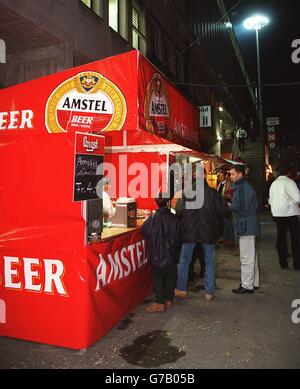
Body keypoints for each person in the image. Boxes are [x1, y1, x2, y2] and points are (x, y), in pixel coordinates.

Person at [174, 168, 231, 302]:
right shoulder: (213, 193)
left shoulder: (186, 193)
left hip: (189, 233)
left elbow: (178, 211)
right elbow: (225, 212)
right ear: (204, 176)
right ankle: (209, 292)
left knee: (184, 261)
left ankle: (181, 289)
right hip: (209, 234)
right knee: (209, 262)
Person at [141, 194, 182, 313]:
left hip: (157, 253)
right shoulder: (175, 218)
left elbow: (144, 232)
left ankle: (159, 302)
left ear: (156, 203)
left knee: (158, 277)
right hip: (172, 252)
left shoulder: (152, 218)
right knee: (171, 275)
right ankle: (168, 299)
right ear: (168, 202)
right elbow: (181, 234)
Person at [230, 165, 260, 294]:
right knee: (252, 256)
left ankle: (247, 285)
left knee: (246, 257)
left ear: (240, 174)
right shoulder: (245, 186)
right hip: (249, 223)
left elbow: (238, 207)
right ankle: (253, 282)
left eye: (232, 174)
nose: (230, 177)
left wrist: (228, 205)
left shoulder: (241, 187)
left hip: (246, 224)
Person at [268, 166, 300, 270]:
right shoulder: (289, 182)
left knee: (281, 238)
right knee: (295, 239)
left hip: (278, 214)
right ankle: (297, 263)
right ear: (289, 173)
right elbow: (298, 198)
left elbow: (270, 200)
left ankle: (283, 263)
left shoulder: (274, 184)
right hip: (290, 213)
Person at [217, 171, 235, 246]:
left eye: (222, 176)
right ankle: (224, 237)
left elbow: (231, 194)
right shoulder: (219, 184)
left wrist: (226, 196)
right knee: (222, 222)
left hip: (228, 205)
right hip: (221, 205)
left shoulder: (229, 184)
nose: (220, 177)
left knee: (227, 222)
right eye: (219, 176)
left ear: (225, 176)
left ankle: (230, 238)